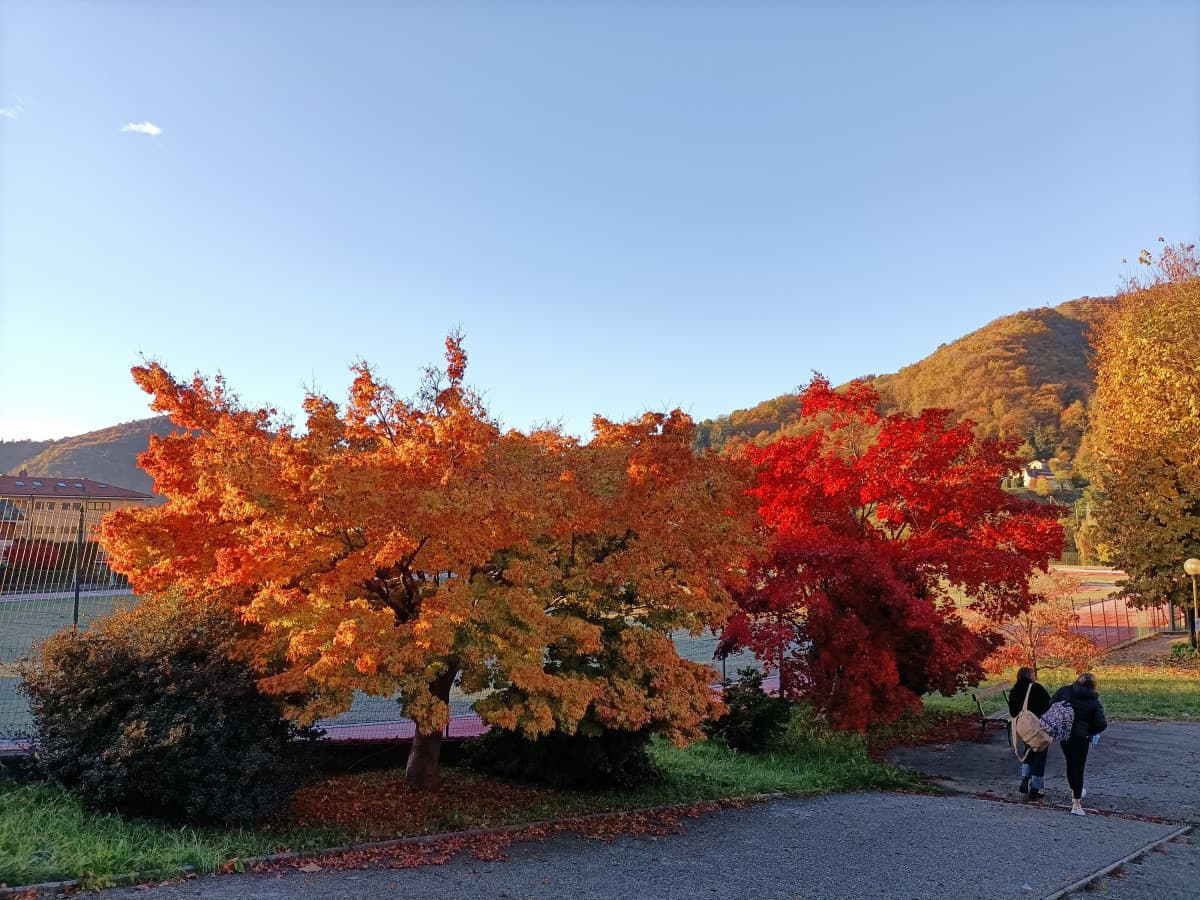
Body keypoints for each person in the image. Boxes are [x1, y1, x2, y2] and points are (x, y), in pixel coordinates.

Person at [1052, 672, 1108, 816]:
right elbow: (1101, 723)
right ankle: (1076, 803)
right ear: (1093, 686)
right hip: (1081, 737)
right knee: (1078, 767)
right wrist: (1090, 731)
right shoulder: (1094, 702)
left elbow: (1051, 705)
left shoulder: (1064, 691)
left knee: (1070, 763)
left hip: (1064, 734)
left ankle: (1074, 789)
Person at [1008, 666, 1051, 800]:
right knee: (1039, 753)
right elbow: (1048, 705)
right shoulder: (1036, 688)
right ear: (1030, 676)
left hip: (1023, 729)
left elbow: (1013, 712)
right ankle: (1036, 787)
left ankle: (1025, 779)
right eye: (1033, 674)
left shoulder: (1014, 690)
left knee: (1028, 751)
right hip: (1037, 728)